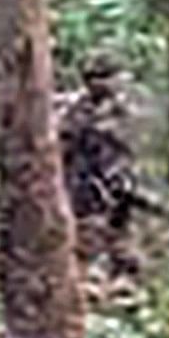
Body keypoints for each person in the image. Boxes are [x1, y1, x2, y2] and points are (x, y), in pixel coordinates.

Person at [60, 56, 145, 278]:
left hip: (119, 196)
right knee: (88, 251)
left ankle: (124, 291)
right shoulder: (74, 112)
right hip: (86, 195)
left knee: (125, 255)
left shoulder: (122, 109)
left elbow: (127, 153)